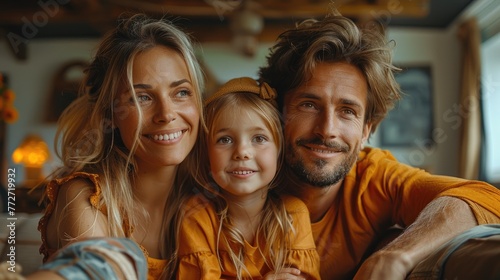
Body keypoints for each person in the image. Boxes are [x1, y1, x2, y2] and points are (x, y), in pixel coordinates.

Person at [258, 9, 500, 280]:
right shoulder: (241, 175)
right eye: (309, 105)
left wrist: (397, 254)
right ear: (276, 114)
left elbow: (487, 198)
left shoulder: (374, 177)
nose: (327, 129)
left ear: (366, 130)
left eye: (347, 111)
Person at [32, 13, 205, 280]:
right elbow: (91, 268)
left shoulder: (211, 194)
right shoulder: (85, 197)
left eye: (181, 92)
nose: (166, 113)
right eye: (142, 97)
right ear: (109, 114)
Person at [176, 77, 320, 279]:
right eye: (225, 139)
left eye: (259, 138)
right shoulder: (196, 216)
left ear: (279, 153)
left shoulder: (293, 215)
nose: (242, 152)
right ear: (206, 155)